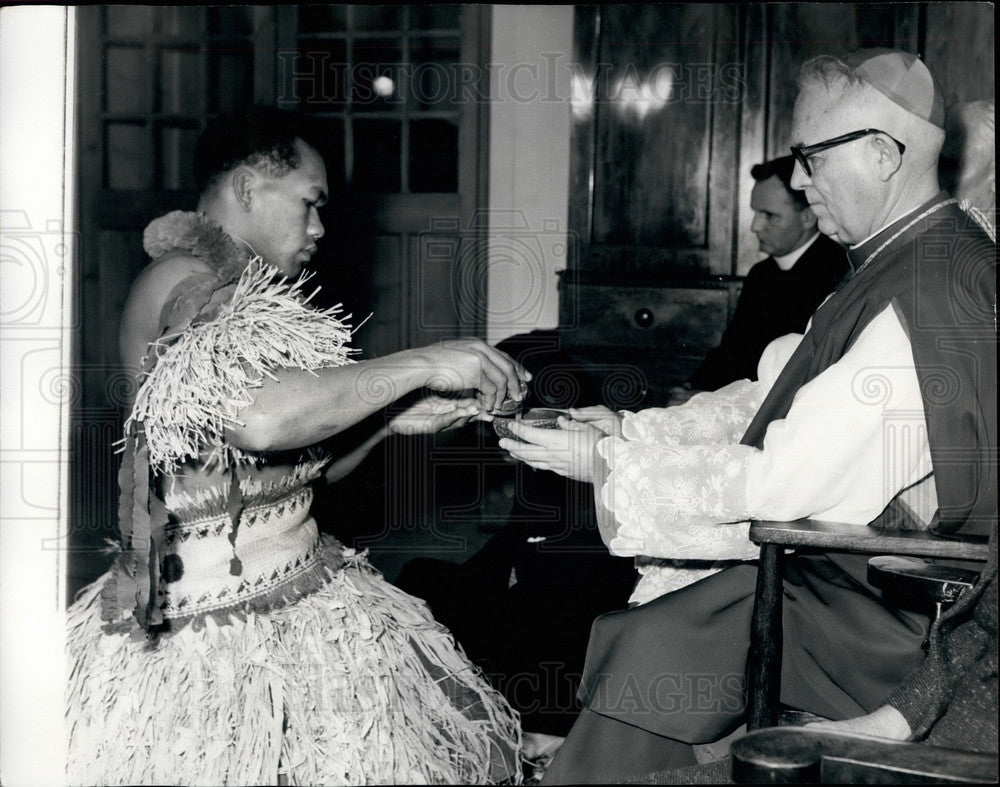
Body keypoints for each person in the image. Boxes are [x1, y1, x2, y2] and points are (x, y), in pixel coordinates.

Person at [500, 48, 996, 783]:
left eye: (809, 156)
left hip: (918, 612)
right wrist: (632, 431)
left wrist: (605, 465)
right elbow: (779, 392)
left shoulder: (920, 296)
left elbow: (786, 483)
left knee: (664, 638)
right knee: (665, 629)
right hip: (870, 573)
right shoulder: (914, 254)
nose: (796, 179)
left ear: (883, 155)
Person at [65, 106, 529, 785]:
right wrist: (425, 360)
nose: (319, 229)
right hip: (216, 630)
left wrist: (391, 417)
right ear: (250, 187)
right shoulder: (182, 284)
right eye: (311, 203)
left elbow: (303, 469)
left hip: (301, 582)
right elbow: (260, 421)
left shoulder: (247, 294)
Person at [670, 156, 849, 402]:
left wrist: (710, 399)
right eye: (756, 212)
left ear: (808, 217)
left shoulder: (838, 271)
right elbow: (733, 351)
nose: (755, 226)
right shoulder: (761, 274)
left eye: (769, 215)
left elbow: (797, 375)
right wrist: (694, 390)